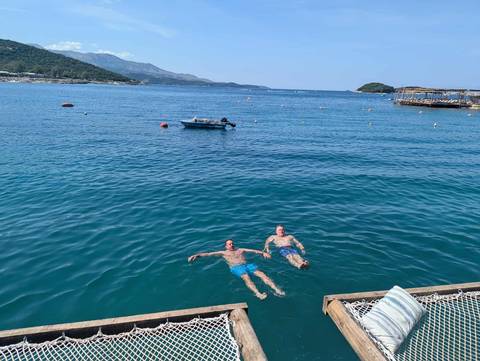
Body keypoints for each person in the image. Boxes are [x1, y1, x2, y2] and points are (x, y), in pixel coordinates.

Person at [188, 239, 285, 300]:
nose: (231, 245)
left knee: (262, 275)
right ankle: (258, 293)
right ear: (226, 246)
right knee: (246, 277)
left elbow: (253, 250)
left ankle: (276, 289)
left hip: (247, 265)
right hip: (236, 268)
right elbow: (209, 254)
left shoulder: (240, 250)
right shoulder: (223, 253)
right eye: (229, 244)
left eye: (232, 243)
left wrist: (263, 253)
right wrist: (197, 255)